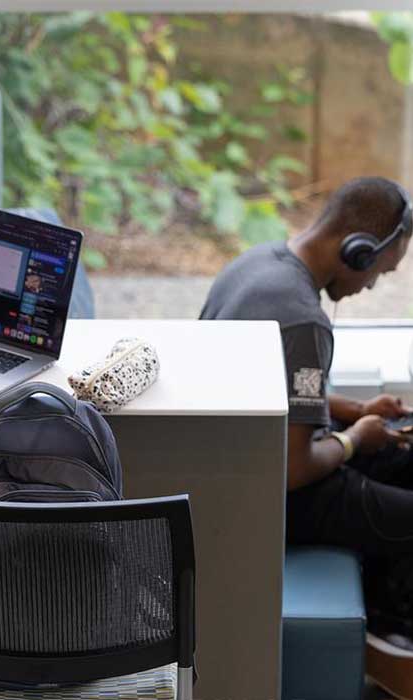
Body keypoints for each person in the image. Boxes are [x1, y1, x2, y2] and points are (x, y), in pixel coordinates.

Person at [200, 176, 413, 667]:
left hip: (229, 467)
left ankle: (381, 603)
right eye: (379, 271)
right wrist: (356, 439)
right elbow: (295, 470)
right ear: (357, 251)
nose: (371, 285)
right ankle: (389, 630)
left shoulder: (256, 264)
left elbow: (278, 384)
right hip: (270, 498)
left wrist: (354, 411)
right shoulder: (302, 318)